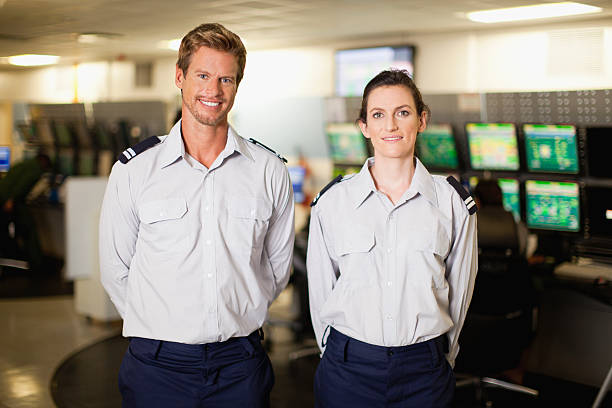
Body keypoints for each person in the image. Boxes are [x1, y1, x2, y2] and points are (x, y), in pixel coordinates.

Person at [99, 23, 294, 407]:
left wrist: (236, 311)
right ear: (180, 77)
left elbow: (276, 269)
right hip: (156, 366)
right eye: (203, 75)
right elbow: (116, 269)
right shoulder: (135, 170)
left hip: (240, 364)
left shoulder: (268, 170)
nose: (213, 90)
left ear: (237, 85)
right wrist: (164, 326)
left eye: (226, 79)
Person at [307, 69, 478, 407]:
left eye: (403, 112)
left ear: (422, 119)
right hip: (347, 367)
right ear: (364, 126)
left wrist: (443, 356)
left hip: (424, 371)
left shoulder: (453, 203)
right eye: (378, 115)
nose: (391, 126)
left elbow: (460, 293)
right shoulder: (332, 203)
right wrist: (335, 352)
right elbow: (320, 293)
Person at [0, 152, 52, 271]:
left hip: (4, 196)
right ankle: (36, 262)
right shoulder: (35, 170)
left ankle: (16, 256)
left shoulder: (24, 163)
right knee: (28, 228)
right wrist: (11, 200)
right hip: (10, 200)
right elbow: (22, 185)